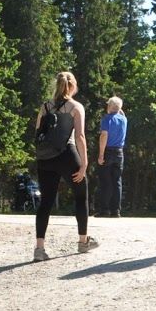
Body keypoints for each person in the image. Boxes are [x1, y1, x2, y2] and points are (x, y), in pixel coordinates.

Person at [31, 71, 99, 261]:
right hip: (67, 155)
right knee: (81, 196)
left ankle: (39, 249)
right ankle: (83, 241)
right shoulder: (76, 107)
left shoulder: (45, 106)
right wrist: (84, 163)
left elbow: (38, 134)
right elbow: (80, 136)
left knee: (46, 201)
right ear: (73, 86)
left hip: (45, 158)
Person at [96, 96, 127, 217]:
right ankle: (116, 210)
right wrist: (118, 107)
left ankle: (104, 210)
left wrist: (101, 154)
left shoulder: (107, 119)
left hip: (108, 151)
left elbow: (104, 136)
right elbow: (121, 112)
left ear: (109, 106)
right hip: (119, 152)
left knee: (105, 181)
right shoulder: (124, 119)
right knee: (117, 181)